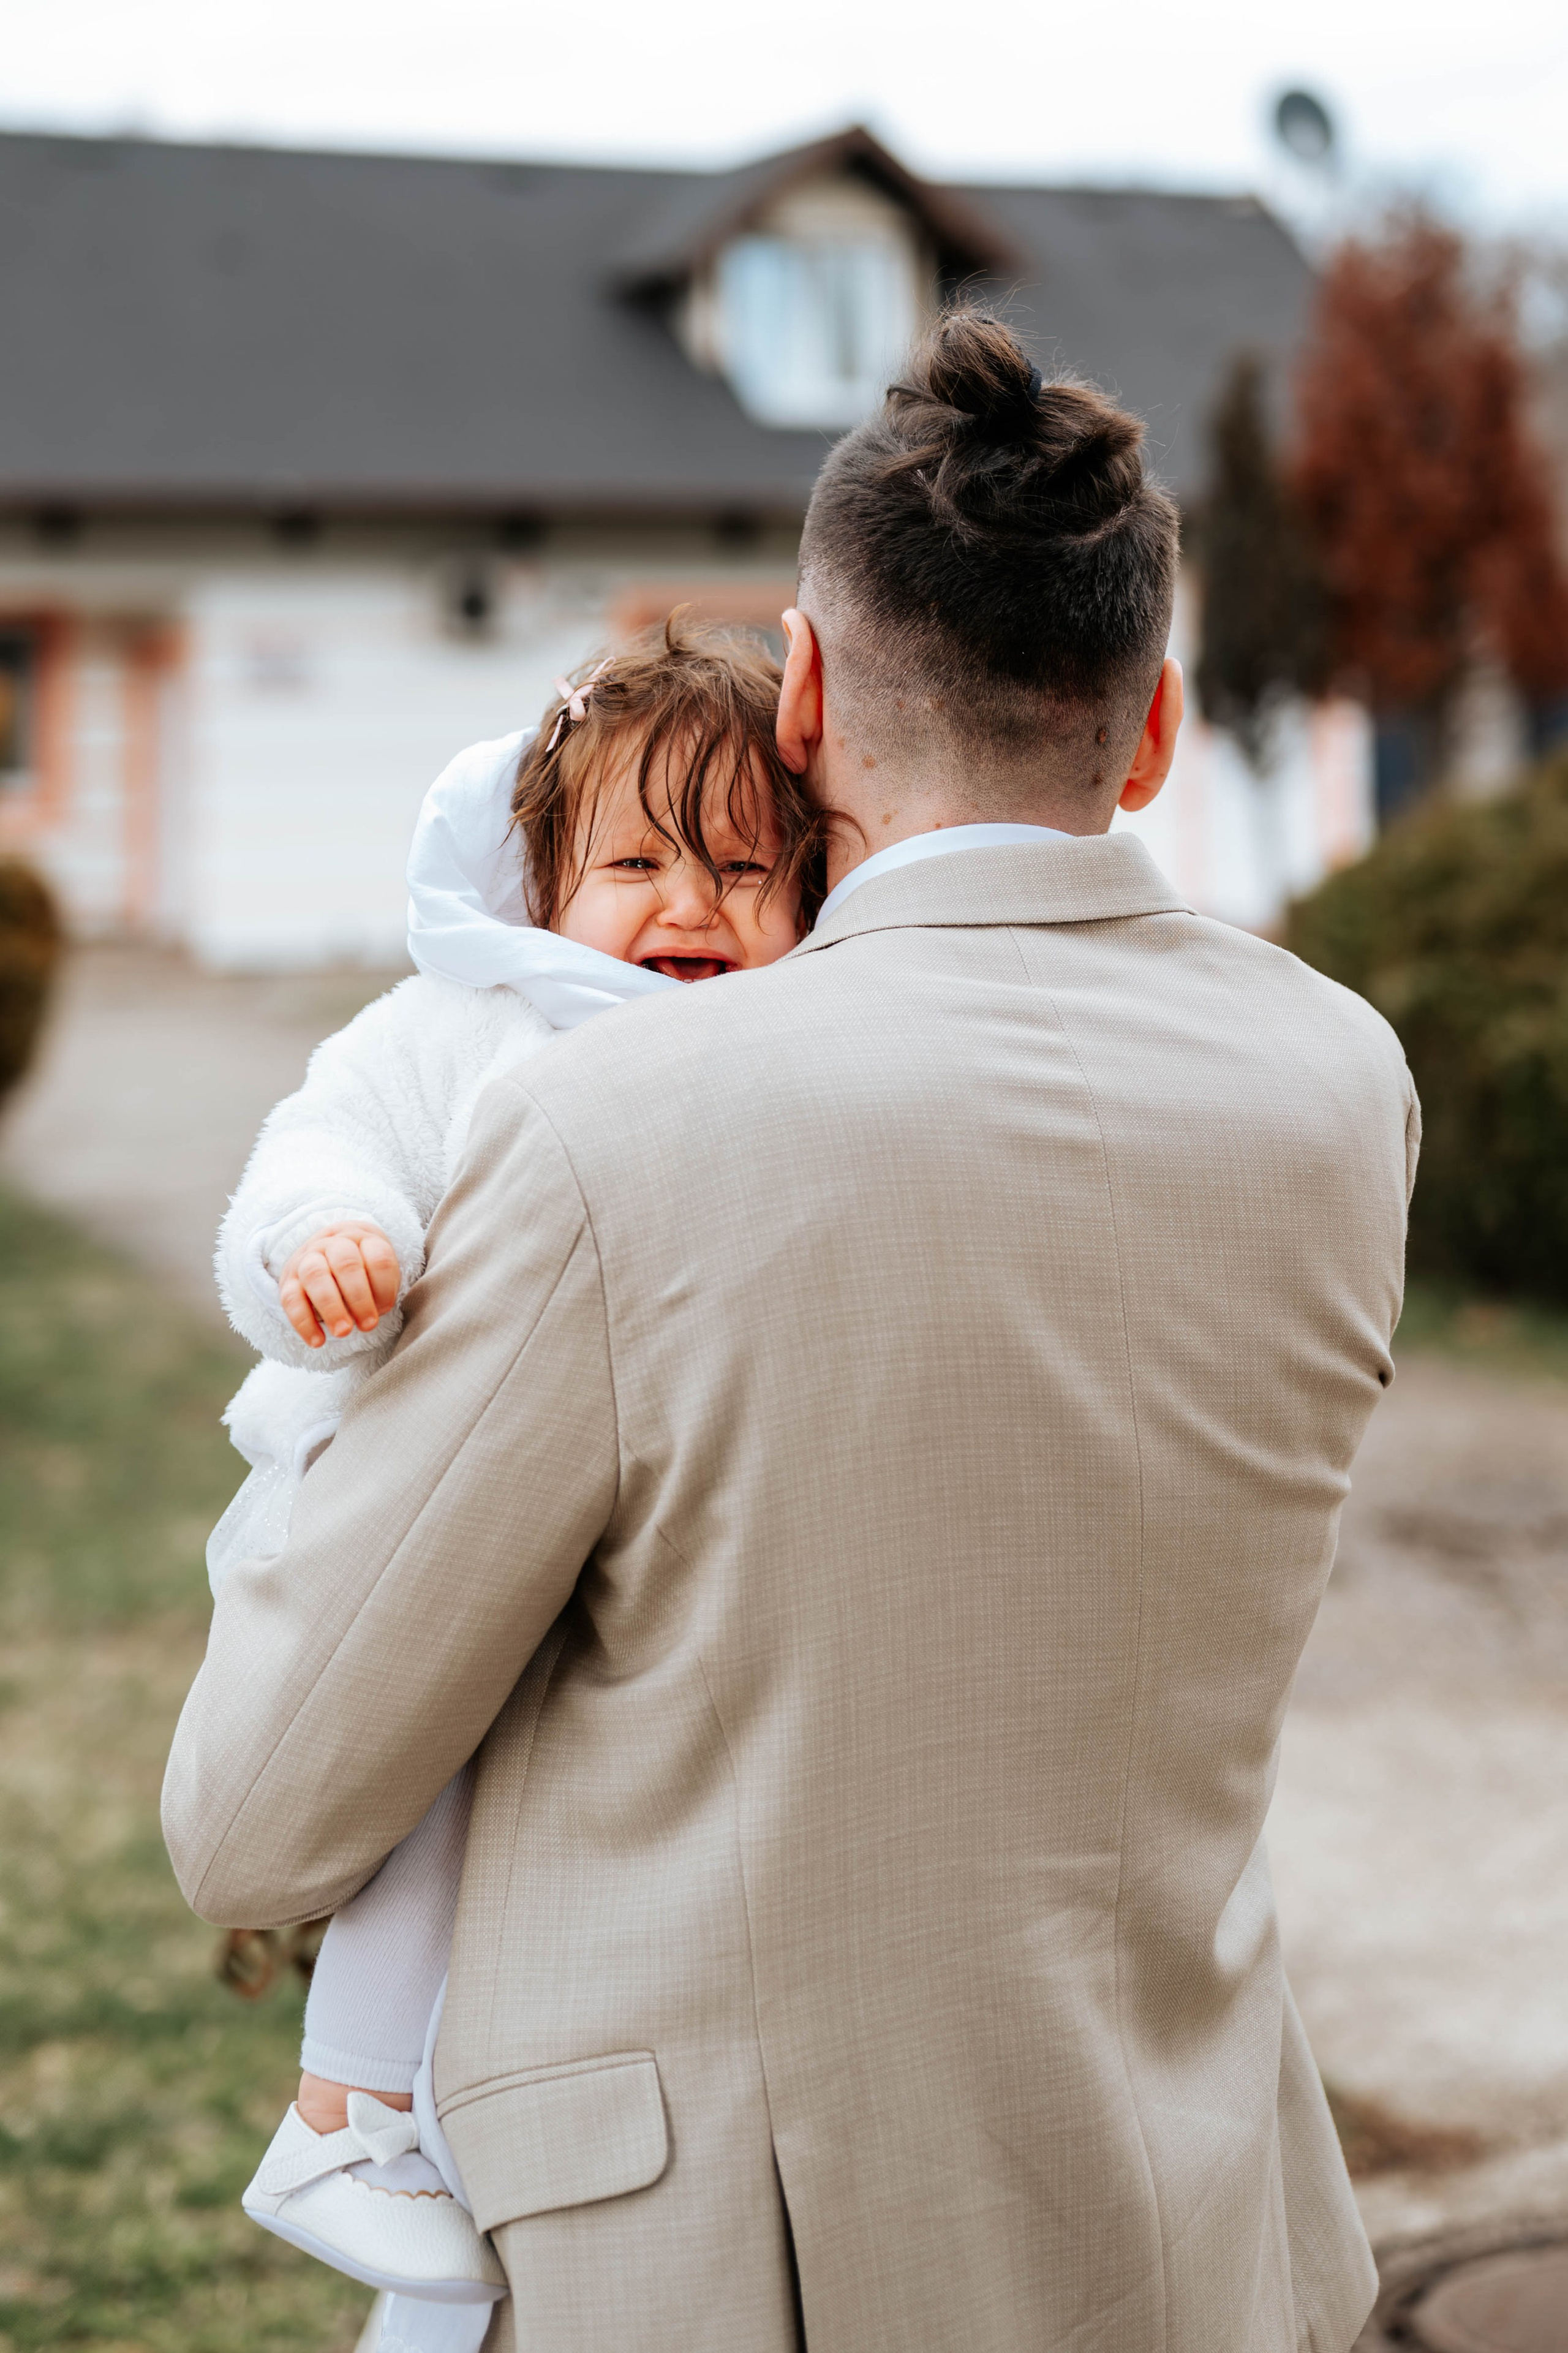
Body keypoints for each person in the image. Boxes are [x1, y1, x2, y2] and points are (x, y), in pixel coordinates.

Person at [165, 308, 1418, 2353]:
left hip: (736, 2270)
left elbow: (265, 1808)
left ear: (807, 690)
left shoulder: (607, 1122)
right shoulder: (1343, 1077)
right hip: (1189, 2216)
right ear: (1157, 729)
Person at [203, 621, 826, 2306]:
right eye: (632, 861)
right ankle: (347, 2096)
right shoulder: (461, 1025)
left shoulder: (789, 1053)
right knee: (434, 1777)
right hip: (409, 1493)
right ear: (536, 881)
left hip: (621, 1522)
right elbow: (318, 1147)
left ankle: (441, 2125)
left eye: (744, 869)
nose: (687, 908)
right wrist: (330, 1239)